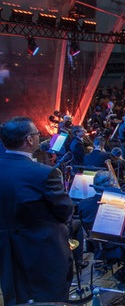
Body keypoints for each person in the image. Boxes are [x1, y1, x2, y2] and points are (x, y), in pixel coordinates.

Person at [0, 116, 74, 305]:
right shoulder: (44, 173)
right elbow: (64, 212)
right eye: (37, 134)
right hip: (41, 254)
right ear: (29, 140)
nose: (39, 137)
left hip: (7, 252)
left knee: (15, 297)